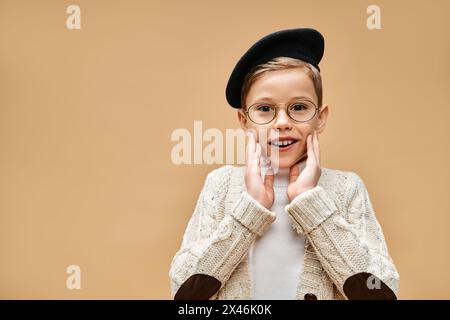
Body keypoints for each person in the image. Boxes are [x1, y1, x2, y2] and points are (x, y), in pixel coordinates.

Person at [169, 28, 399, 300]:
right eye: (265, 109)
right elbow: (184, 293)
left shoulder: (346, 188)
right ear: (244, 120)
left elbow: (381, 293)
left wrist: (311, 204)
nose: (282, 122)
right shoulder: (221, 185)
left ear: (321, 117)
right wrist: (249, 209)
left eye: (299, 107)